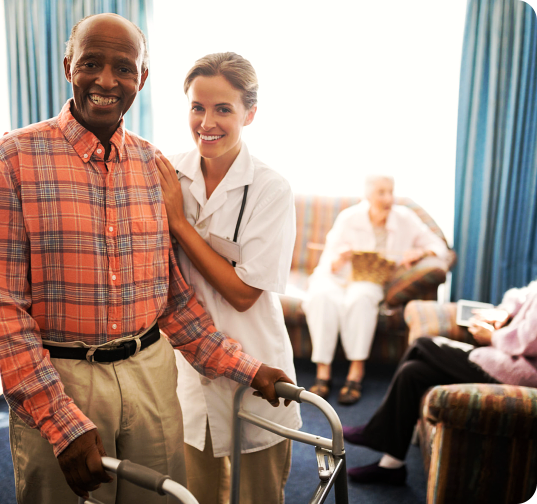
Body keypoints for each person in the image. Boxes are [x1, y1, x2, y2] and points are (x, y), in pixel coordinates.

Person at [0, 14, 292, 504]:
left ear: (141, 78)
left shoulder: (152, 167)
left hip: (152, 374)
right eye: (91, 63)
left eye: (123, 68)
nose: (106, 80)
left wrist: (249, 369)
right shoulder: (14, 160)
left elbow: (171, 300)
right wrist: (59, 420)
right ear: (67, 66)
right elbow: (4, 312)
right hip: (63, 376)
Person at [155, 52, 301, 504]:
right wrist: (7, 156)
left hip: (256, 370)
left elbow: (241, 293)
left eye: (223, 109)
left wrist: (180, 224)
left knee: (258, 496)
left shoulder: (269, 189)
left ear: (249, 114)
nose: (207, 122)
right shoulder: (165, 172)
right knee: (192, 495)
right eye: (198, 107)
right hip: (185, 371)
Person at [343, 279, 537, 484]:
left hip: (520, 373)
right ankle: (392, 465)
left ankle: (377, 431)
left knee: (422, 344)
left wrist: (493, 336)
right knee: (412, 372)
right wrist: (504, 311)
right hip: (503, 359)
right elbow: (523, 294)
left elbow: (528, 341)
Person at [302, 175, 449, 405]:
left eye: (391, 191)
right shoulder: (349, 218)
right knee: (321, 297)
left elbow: (440, 247)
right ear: (367, 194)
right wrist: (340, 258)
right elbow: (328, 261)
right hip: (337, 277)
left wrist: (419, 253)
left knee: (361, 299)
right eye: (381, 192)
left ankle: (355, 372)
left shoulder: (405, 218)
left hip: (370, 279)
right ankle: (323, 372)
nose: (388, 198)